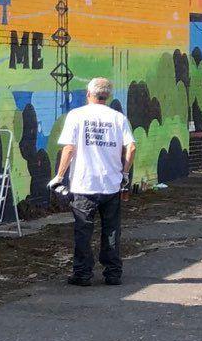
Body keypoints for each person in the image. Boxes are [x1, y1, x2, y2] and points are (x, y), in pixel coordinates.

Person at [48, 78, 136, 286]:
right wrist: (124, 172)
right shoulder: (118, 118)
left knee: (83, 231)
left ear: (88, 94)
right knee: (112, 230)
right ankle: (113, 274)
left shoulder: (76, 116)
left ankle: (82, 274)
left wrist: (59, 176)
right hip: (111, 184)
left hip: (84, 184)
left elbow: (69, 149)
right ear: (108, 96)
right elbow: (131, 147)